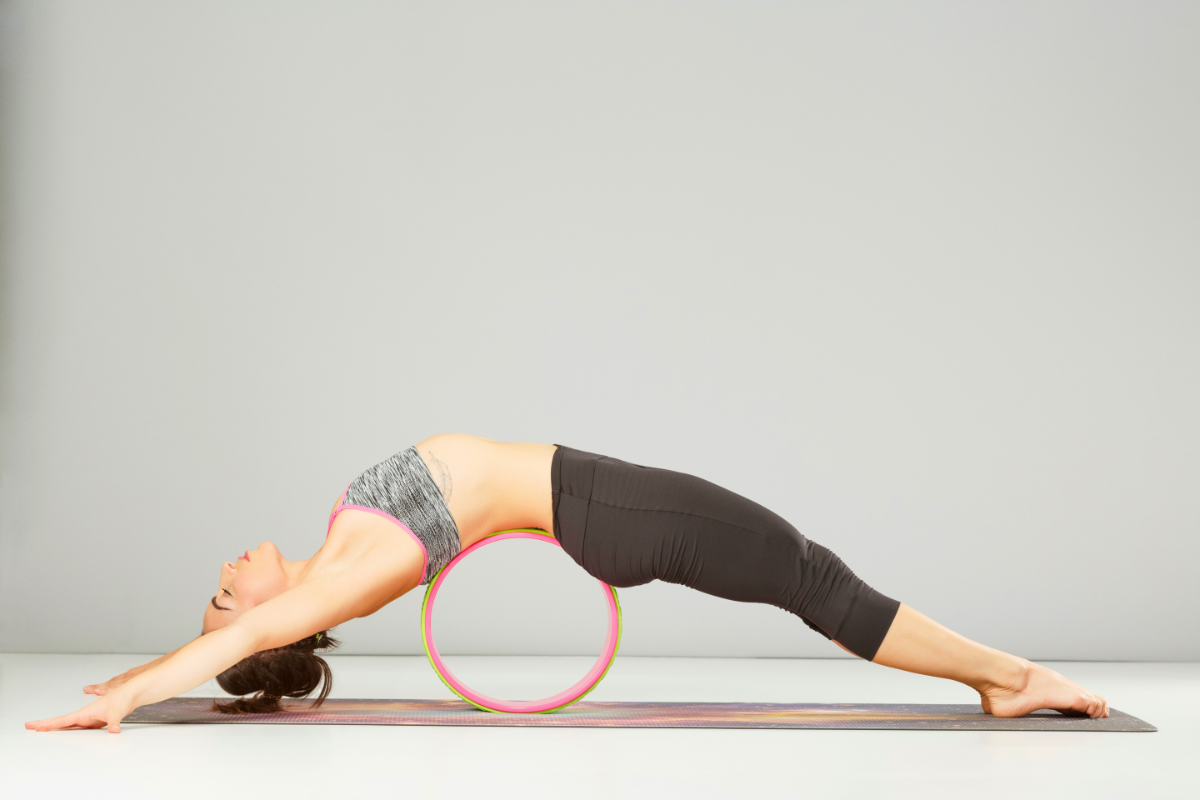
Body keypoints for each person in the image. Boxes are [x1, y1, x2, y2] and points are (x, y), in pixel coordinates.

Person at [26, 433, 1109, 733]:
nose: (225, 572)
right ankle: (1006, 675)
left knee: (806, 572)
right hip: (601, 508)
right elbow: (223, 656)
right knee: (808, 576)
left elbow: (214, 654)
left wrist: (142, 673)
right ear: (265, 623)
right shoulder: (345, 577)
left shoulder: (333, 546)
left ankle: (997, 674)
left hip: (597, 491)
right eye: (224, 594)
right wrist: (133, 694)